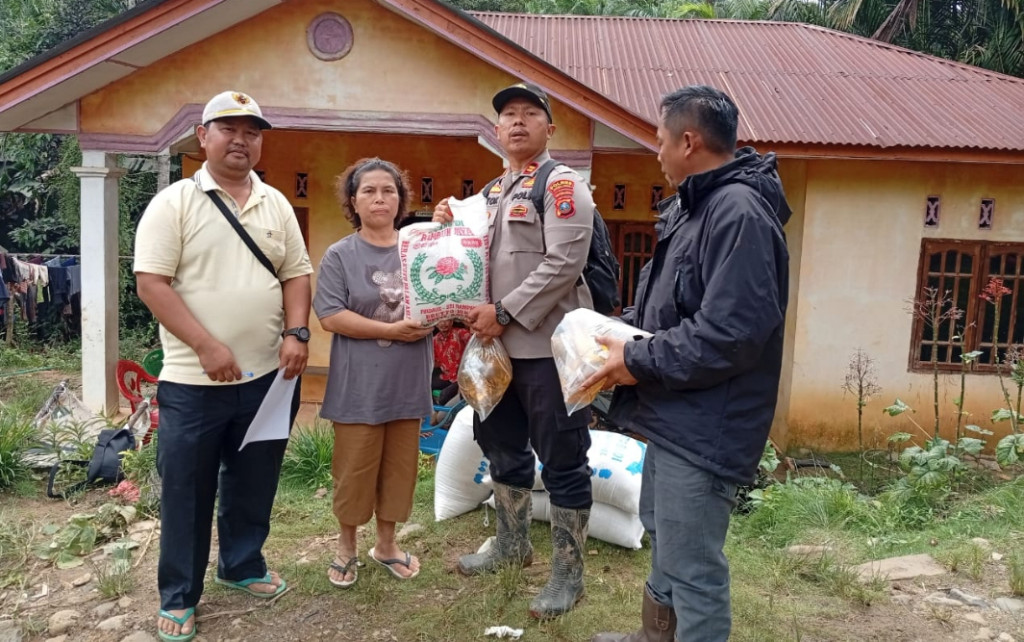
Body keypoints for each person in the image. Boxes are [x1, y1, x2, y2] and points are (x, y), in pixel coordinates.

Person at [584, 85, 791, 642]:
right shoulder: (695, 208)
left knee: (694, 563)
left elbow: (730, 334)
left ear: (689, 141)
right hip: (674, 414)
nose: (656, 151)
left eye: (659, 140)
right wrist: (610, 330)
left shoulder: (738, 212)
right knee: (665, 534)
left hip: (708, 424)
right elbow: (671, 306)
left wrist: (637, 358)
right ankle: (657, 636)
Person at [134, 90, 313, 642]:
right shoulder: (175, 203)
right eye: (228, 129)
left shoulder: (275, 203)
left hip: (269, 376)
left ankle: (241, 565)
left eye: (252, 131)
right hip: (193, 380)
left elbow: (297, 274)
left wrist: (297, 331)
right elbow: (151, 283)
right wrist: (208, 347)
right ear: (203, 136)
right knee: (187, 488)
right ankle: (180, 596)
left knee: (254, 479)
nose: (241, 140)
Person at [433, 82, 595, 620]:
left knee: (564, 458)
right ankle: (512, 544)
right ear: (496, 131)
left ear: (550, 128)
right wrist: (444, 229)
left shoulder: (562, 184)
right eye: (507, 115)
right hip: (493, 353)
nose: (518, 122)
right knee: (500, 445)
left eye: (530, 114)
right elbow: (468, 260)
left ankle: (568, 575)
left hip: (548, 350)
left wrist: (501, 312)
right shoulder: (490, 194)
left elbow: (564, 264)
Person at [314, 157, 433, 589]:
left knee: (400, 468)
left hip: (408, 378)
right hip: (359, 383)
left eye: (389, 190)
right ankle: (346, 547)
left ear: (400, 200)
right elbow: (329, 315)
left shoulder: (420, 248)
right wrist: (390, 330)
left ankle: (386, 545)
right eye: (369, 191)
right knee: (355, 468)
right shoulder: (340, 255)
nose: (380, 198)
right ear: (353, 201)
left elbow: (444, 294)